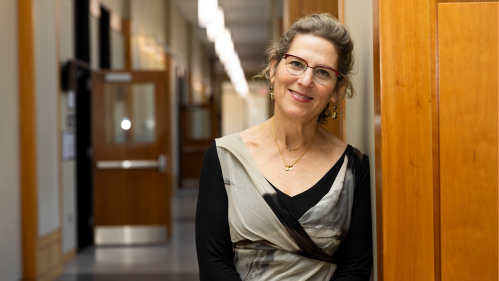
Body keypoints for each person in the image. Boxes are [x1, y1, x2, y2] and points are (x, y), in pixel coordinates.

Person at [195, 13, 372, 281]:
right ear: (274, 67)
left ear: (337, 90)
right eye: (297, 64)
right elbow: (214, 264)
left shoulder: (353, 168)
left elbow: (355, 268)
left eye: (323, 72)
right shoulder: (224, 157)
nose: (306, 80)